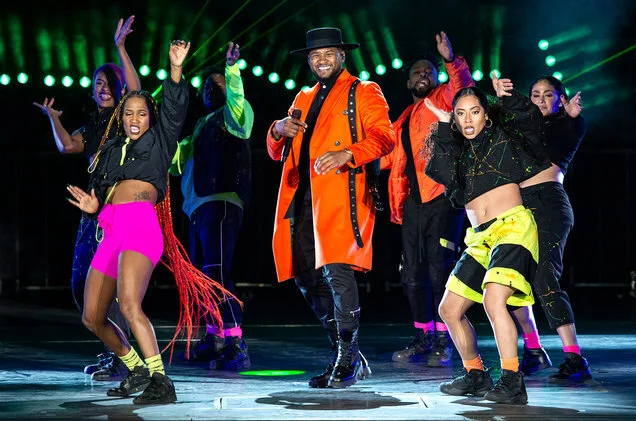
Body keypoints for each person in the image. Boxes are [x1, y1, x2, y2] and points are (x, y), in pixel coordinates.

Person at [66, 40, 229, 405]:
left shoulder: (160, 139)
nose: (135, 119)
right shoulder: (111, 150)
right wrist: (93, 206)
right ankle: (136, 368)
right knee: (92, 316)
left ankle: (161, 380)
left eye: (141, 113)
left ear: (150, 118)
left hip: (140, 229)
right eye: (129, 114)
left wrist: (175, 69)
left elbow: (173, 104)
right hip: (111, 230)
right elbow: (101, 194)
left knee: (128, 305)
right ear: (121, 117)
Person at [266, 27, 394, 388]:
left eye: (328, 53)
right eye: (315, 55)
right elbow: (277, 152)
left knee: (337, 273)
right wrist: (277, 130)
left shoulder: (363, 90)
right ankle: (346, 353)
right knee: (306, 276)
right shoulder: (303, 96)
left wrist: (347, 153)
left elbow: (385, 137)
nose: (321, 60)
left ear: (342, 56)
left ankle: (346, 359)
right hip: (302, 198)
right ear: (309, 61)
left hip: (341, 194)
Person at [424, 75, 552, 405]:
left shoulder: (504, 137)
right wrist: (443, 127)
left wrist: (506, 98)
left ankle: (512, 380)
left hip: (513, 228)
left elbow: (531, 124)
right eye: (461, 113)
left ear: (486, 114)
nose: (468, 119)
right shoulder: (458, 153)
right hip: (480, 238)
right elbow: (441, 173)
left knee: (495, 301)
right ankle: (475, 374)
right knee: (449, 309)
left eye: (475, 111)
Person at [33, 16, 140, 381]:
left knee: (114, 289)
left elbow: (136, 89)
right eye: (99, 84)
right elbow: (67, 145)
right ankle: (115, 350)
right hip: (91, 216)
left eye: (110, 83)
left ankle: (126, 361)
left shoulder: (127, 119)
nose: (103, 88)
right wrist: (53, 118)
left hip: (118, 213)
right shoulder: (92, 124)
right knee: (83, 285)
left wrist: (120, 48)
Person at [380, 32, 472, 367]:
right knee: (412, 274)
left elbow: (462, 84)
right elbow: (383, 156)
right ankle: (423, 337)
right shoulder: (403, 119)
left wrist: (450, 60)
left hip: (442, 198)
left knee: (439, 270)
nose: (422, 75)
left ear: (436, 78)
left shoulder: (444, 99)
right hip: (412, 205)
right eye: (417, 72)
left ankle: (445, 341)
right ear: (408, 82)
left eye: (428, 72)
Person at [170, 41, 253, 370]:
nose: (210, 88)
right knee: (204, 277)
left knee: (216, 273)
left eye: (217, 84)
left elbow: (237, 103)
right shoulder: (201, 126)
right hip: (198, 209)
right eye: (207, 84)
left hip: (220, 202)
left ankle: (235, 341)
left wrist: (231, 71)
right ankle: (215, 336)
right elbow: (175, 163)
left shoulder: (233, 116)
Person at [510, 76, 590, 380]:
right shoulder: (524, 127)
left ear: (561, 99)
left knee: (545, 278)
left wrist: (572, 116)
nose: (541, 100)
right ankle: (533, 350)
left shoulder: (568, 125)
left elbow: (572, 129)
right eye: (535, 95)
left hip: (549, 204)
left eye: (548, 95)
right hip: (519, 207)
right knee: (511, 279)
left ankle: (575, 357)